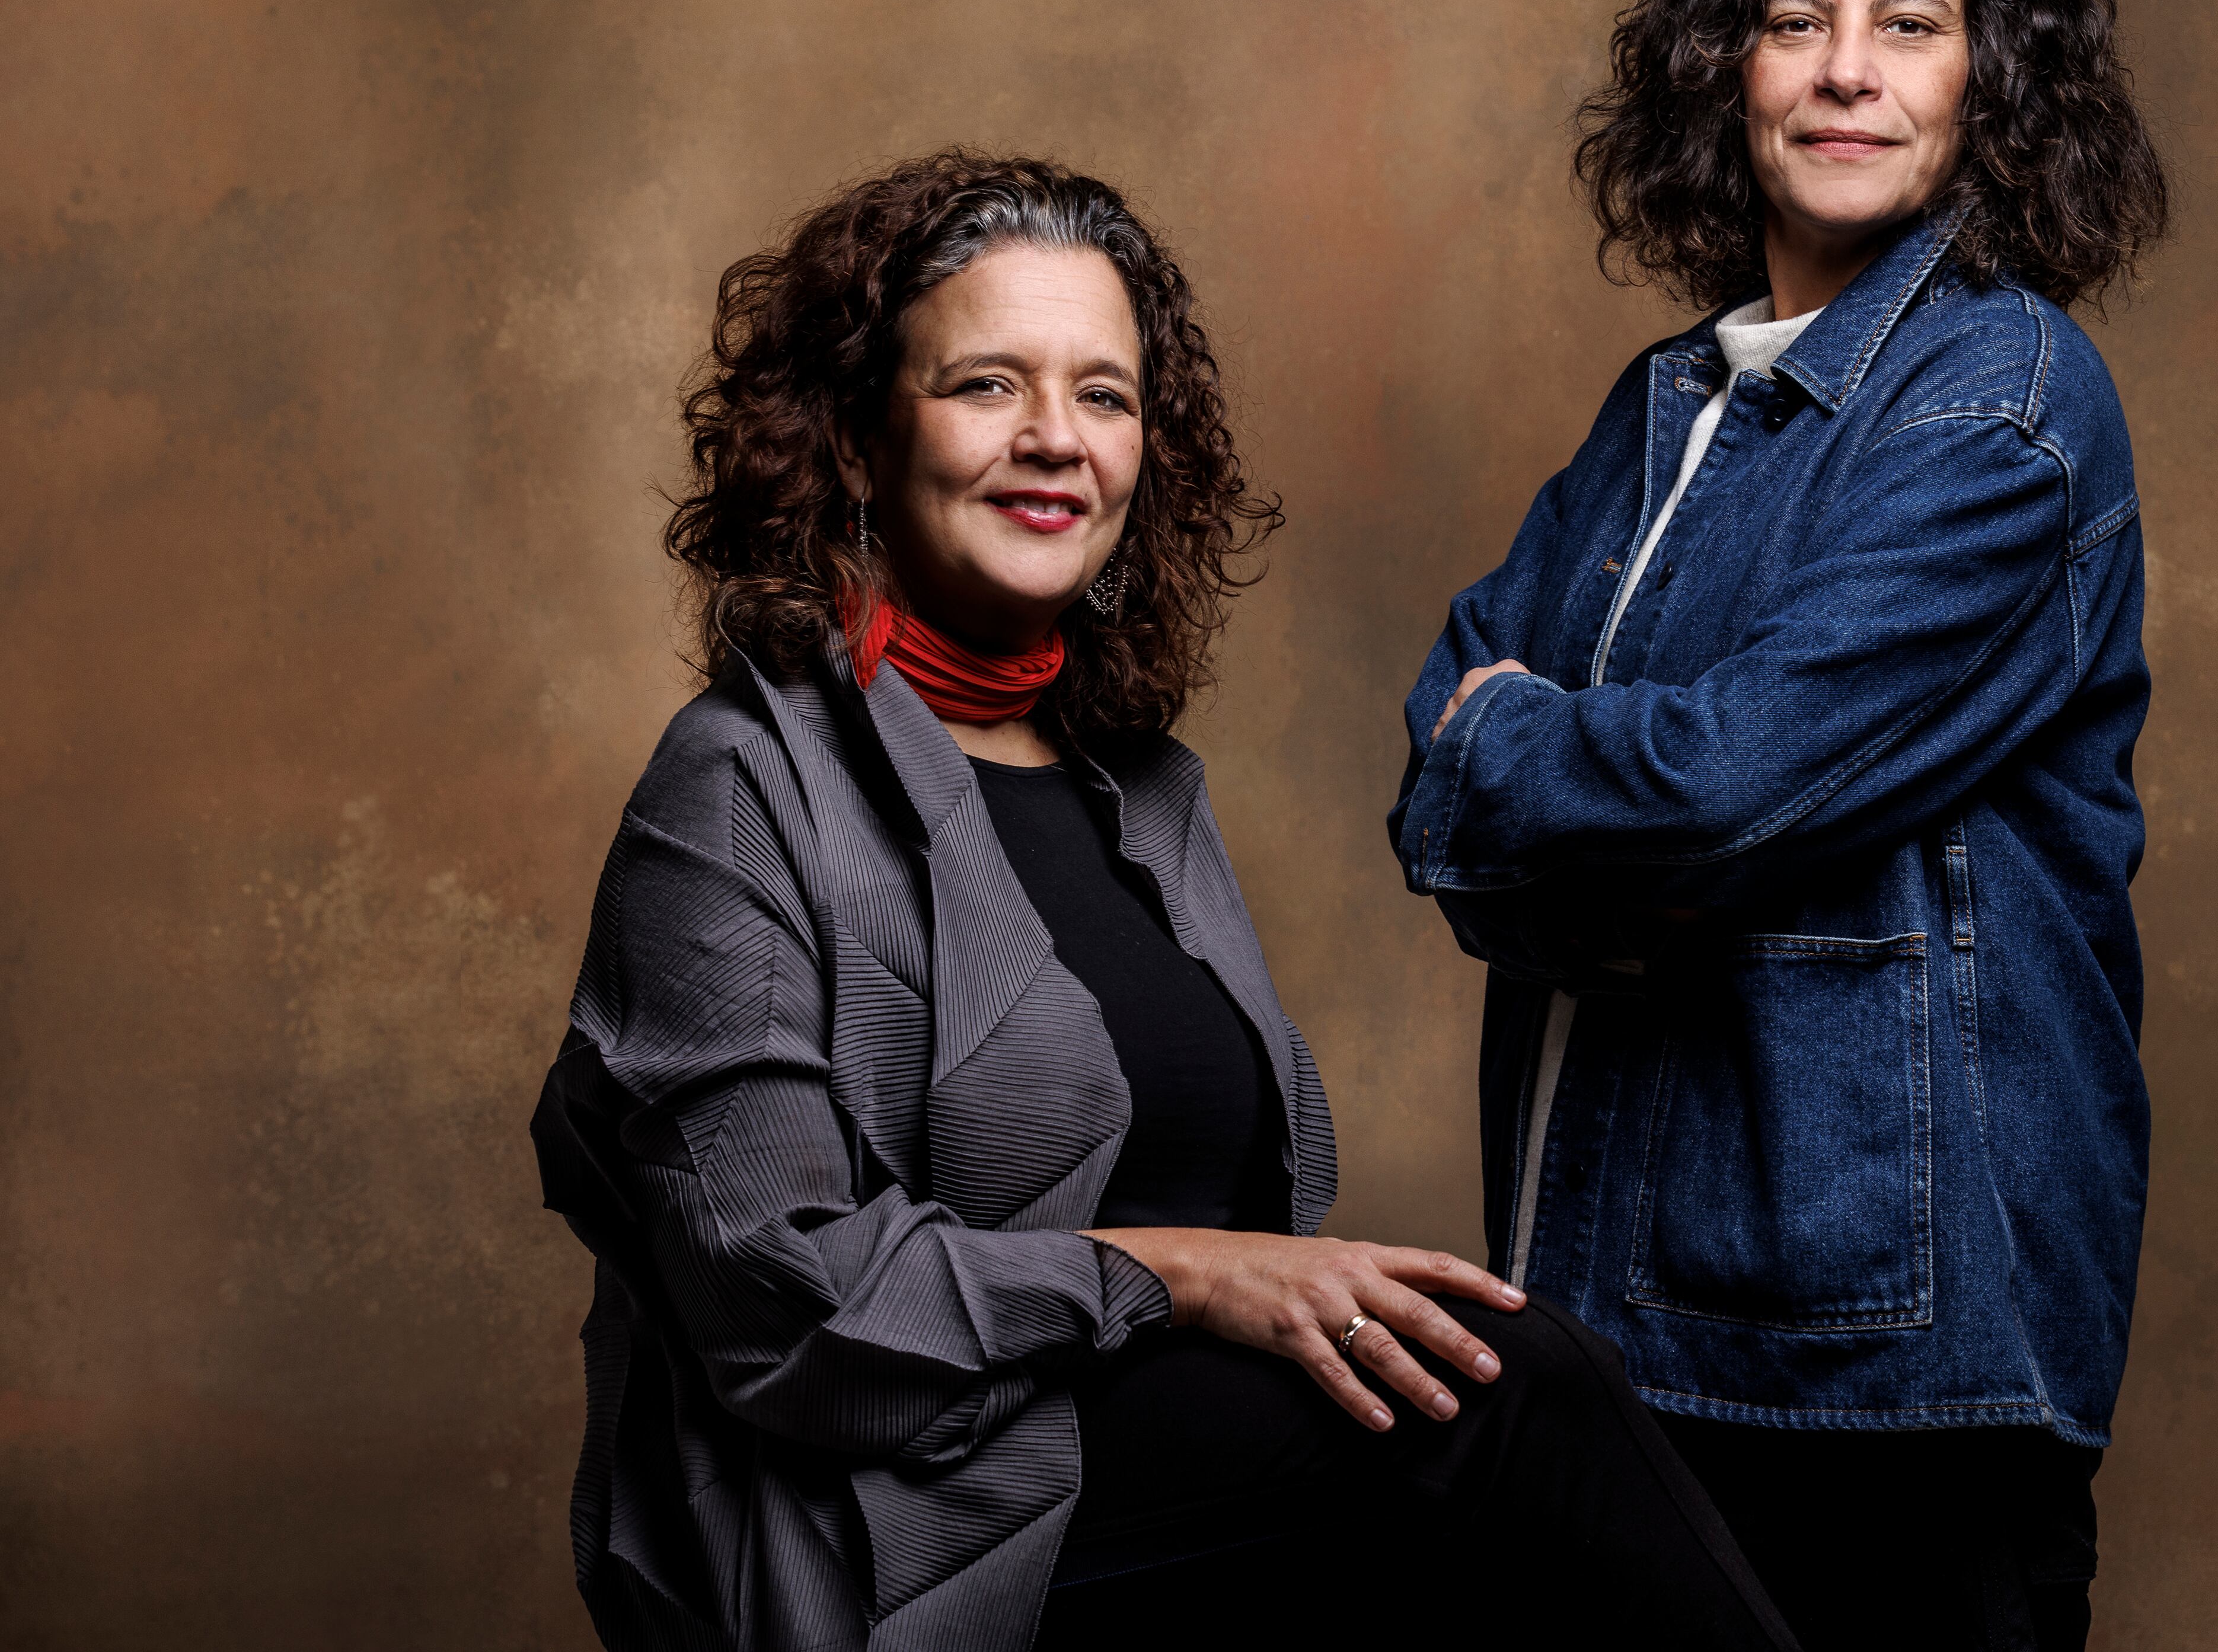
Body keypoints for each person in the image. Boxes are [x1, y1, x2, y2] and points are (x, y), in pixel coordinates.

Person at [530, 152, 1796, 1652]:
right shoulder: (741, 782)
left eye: (1106, 396)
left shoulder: (1143, 789)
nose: (1056, 440)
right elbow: (784, 1303)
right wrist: (1181, 1275)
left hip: (1173, 1499)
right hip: (900, 1511)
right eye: (988, 385)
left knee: (1478, 1441)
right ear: (860, 439)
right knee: (1508, 1401)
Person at [1389, 0, 2170, 1650]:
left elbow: (1718, 784)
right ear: (1722, 68)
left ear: (1989, 81)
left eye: (1909, 26)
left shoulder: (2009, 406)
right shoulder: (1663, 407)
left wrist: (1542, 774)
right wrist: (1541, 803)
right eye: (1792, 20)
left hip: (1894, 1379)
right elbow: (1439, 752)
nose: (1846, 74)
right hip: (1620, 1331)